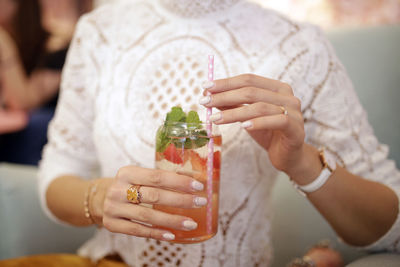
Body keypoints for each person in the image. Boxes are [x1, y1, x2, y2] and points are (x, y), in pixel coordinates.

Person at [30, 0, 400, 266]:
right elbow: (59, 170)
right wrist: (97, 198)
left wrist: (303, 163)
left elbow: (390, 230)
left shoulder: (299, 47)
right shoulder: (99, 30)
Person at [0, 0, 91, 165]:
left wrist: (6, 50)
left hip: (34, 144)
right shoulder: (18, 40)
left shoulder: (60, 48)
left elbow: (22, 102)